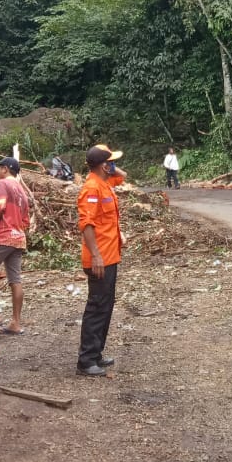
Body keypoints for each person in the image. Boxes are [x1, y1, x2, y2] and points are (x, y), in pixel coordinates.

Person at [75, 143, 128, 376]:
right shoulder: (91, 189)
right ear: (104, 165)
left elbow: (123, 176)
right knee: (97, 307)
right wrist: (96, 255)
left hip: (110, 255)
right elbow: (86, 224)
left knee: (105, 306)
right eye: (111, 162)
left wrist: (107, 167)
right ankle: (86, 361)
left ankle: (96, 354)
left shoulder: (105, 183)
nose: (115, 165)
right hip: (99, 259)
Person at [0, 156, 31, 335]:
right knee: (15, 280)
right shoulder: (22, 191)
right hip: (18, 237)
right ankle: (16, 322)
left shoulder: (2, 184)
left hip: (1, 237)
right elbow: (26, 220)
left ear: (5, 169)